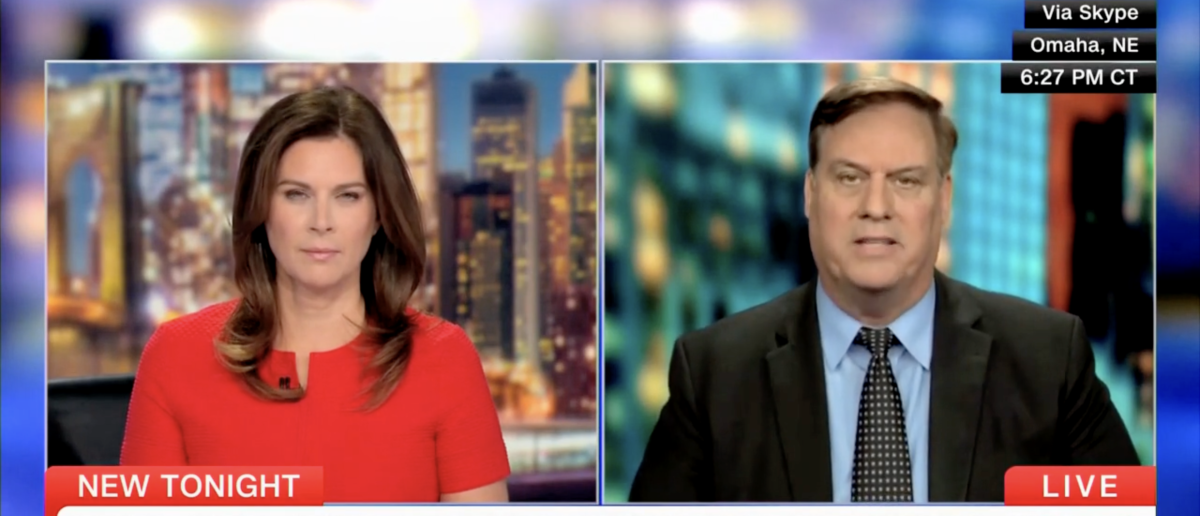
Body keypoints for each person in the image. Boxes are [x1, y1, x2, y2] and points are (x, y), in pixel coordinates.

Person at [628, 77, 1140, 503]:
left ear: (944, 200)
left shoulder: (1048, 361)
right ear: (810, 193)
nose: (876, 207)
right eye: (850, 178)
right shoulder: (714, 374)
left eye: (906, 181)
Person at [121, 86, 511, 503]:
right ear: (261, 208)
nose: (321, 221)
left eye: (348, 196)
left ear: (379, 215)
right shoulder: (176, 356)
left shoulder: (443, 360)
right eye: (297, 194)